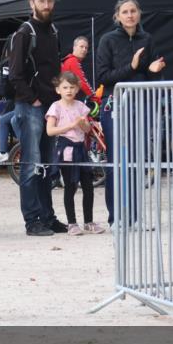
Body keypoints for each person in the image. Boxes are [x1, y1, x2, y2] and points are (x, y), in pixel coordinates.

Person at [95, 0, 166, 226]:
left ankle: (134, 217)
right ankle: (116, 217)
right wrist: (132, 67)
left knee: (137, 160)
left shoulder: (148, 38)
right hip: (114, 104)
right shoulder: (108, 40)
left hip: (141, 104)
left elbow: (153, 75)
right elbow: (103, 77)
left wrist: (153, 70)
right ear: (117, 16)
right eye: (125, 12)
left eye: (133, 11)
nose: (130, 15)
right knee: (117, 160)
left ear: (139, 14)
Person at [10, 0, 67, 237]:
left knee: (47, 165)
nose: (46, 5)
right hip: (31, 107)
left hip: (50, 107)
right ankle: (32, 220)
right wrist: (32, 99)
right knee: (31, 165)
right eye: (42, 1)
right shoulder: (24, 33)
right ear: (31, 3)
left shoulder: (54, 31)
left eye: (50, 1)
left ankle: (48, 216)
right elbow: (15, 75)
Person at [46, 72, 103, 235]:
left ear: (77, 89)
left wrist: (84, 124)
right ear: (58, 90)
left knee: (88, 186)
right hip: (66, 148)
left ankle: (89, 221)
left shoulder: (80, 106)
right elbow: (50, 131)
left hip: (81, 148)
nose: (69, 90)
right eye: (65, 87)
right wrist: (71, 125)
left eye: (72, 87)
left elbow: (86, 130)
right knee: (70, 187)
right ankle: (72, 223)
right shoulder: (55, 107)